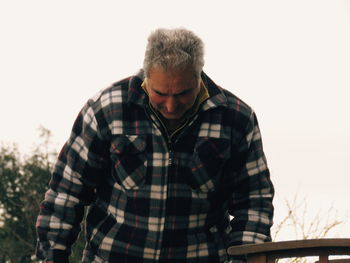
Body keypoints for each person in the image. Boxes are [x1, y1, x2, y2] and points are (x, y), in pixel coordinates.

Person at [36, 28, 274, 263]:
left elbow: (254, 201)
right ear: (146, 76)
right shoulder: (107, 109)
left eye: (182, 93)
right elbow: (67, 191)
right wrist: (52, 255)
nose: (171, 106)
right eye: (160, 93)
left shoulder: (236, 118)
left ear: (198, 76)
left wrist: (248, 258)